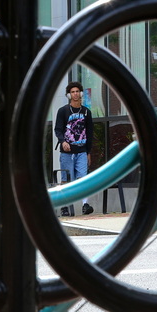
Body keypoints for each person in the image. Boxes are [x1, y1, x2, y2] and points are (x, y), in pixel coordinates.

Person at [54, 81, 94, 216]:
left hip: (82, 150)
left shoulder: (86, 112)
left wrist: (88, 152)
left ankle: (85, 205)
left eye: (77, 91)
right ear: (69, 95)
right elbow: (58, 130)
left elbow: (89, 133)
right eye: (72, 92)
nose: (75, 94)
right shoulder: (63, 111)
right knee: (66, 178)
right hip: (67, 152)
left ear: (81, 93)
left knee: (83, 178)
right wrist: (62, 141)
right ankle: (65, 207)